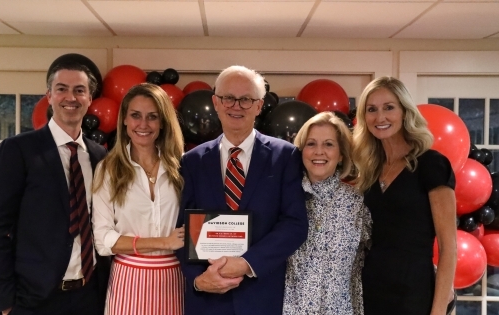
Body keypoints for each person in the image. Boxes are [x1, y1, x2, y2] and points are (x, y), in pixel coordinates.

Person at [176, 65, 308, 315]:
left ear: (259, 106)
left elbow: (294, 224)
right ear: (216, 102)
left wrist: (247, 263)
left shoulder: (285, 157)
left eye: (246, 99)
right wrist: (197, 279)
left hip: (262, 297)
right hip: (207, 297)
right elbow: (180, 229)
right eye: (228, 98)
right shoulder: (192, 161)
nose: (236, 106)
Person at [0, 62, 109, 315]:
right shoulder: (18, 150)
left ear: (90, 98)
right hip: (33, 300)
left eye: (79, 90)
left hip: (90, 297)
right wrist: (4, 303)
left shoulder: (99, 155)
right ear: (49, 96)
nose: (71, 97)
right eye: (62, 89)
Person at [352, 76, 457, 315]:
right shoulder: (369, 171)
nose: (380, 117)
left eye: (389, 107)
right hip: (371, 290)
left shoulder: (432, 164)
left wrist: (439, 311)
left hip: (415, 291)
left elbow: (448, 247)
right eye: (372, 110)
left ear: (405, 111)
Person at [91, 83, 185, 315]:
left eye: (152, 117)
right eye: (135, 115)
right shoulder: (108, 170)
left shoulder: (183, 167)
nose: (143, 125)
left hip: (174, 280)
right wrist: (163, 243)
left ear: (162, 122)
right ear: (124, 119)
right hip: (127, 278)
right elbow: (103, 241)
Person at [283, 111, 371, 315]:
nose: (319, 151)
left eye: (329, 144)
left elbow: (385, 254)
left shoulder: (358, 202)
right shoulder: (284, 198)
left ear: (341, 154)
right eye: (311, 144)